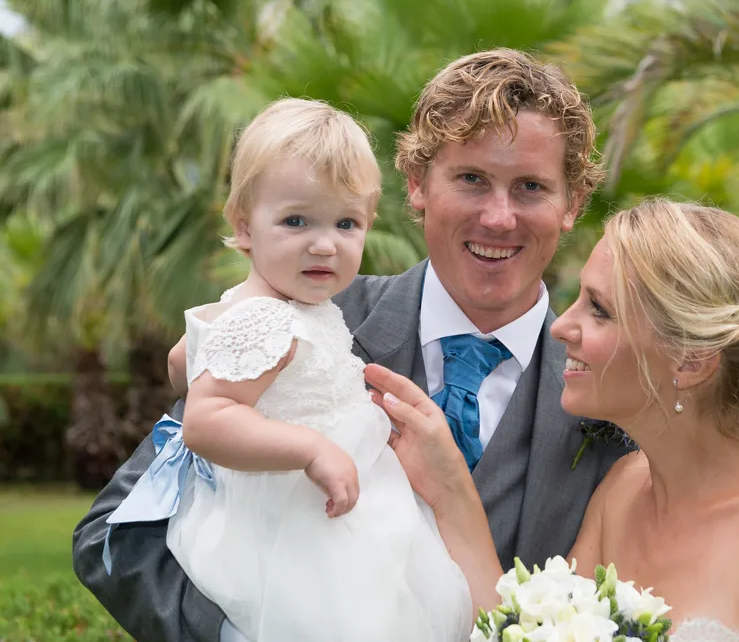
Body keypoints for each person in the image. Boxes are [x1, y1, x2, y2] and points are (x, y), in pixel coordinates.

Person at [72, 49, 629, 642]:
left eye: (531, 187)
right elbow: (114, 532)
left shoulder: (615, 385)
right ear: (417, 185)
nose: (498, 217)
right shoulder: (296, 314)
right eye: (471, 179)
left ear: (570, 203)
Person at [365, 199, 739, 642]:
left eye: (599, 309)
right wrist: (450, 486)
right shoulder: (623, 491)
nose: (561, 328)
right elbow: (518, 631)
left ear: (691, 362)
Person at [100, 96, 472, 641]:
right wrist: (311, 448)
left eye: (347, 223)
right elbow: (205, 421)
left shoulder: (278, 307)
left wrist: (199, 361)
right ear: (245, 227)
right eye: (295, 221)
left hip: (339, 502)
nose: (324, 244)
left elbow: (184, 363)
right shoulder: (267, 319)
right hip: (295, 524)